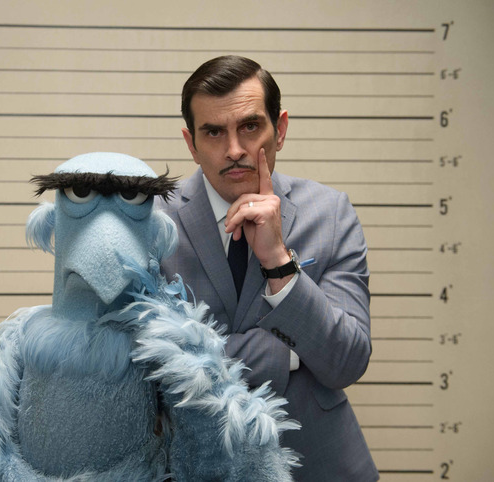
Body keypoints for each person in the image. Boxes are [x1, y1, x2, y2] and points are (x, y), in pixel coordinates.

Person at [155, 55, 379, 481]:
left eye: (250, 126)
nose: (234, 150)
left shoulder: (331, 213)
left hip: (318, 464)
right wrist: (288, 351)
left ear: (281, 129)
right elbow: (147, 371)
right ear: (191, 143)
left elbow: (346, 361)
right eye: (214, 132)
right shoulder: (151, 224)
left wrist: (279, 262)